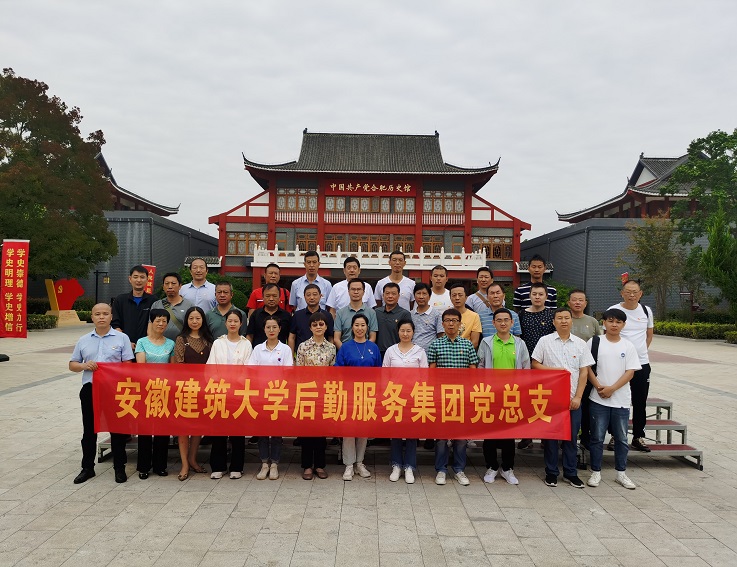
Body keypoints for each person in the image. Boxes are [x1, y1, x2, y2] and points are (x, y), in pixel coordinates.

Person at [69, 303, 134, 484]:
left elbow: (128, 364)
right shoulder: (83, 340)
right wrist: (84, 365)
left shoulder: (122, 338)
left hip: (114, 390)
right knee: (89, 430)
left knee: (117, 429)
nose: (101, 317)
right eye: (97, 314)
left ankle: (119, 467)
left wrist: (114, 370)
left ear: (111, 317)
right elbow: (72, 364)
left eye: (105, 313)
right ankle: (87, 468)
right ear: (92, 317)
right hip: (90, 389)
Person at [532, 307, 595, 489]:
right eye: (559, 318)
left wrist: (578, 397)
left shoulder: (580, 344)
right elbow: (535, 364)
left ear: (571, 321)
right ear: (554, 322)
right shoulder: (545, 341)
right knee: (551, 438)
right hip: (551, 399)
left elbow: (584, 372)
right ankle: (551, 472)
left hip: (572, 399)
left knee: (571, 437)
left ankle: (570, 473)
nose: (563, 321)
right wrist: (555, 371)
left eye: (567, 318)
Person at [586, 308, 640, 490]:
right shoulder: (594, 342)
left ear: (624, 325)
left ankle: (621, 473)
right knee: (597, 437)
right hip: (598, 398)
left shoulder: (628, 346)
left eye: (618, 322)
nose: (614, 325)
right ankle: (595, 472)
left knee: (622, 439)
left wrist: (612, 388)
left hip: (621, 400)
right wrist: (599, 387)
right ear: (604, 323)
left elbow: (630, 372)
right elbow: (587, 367)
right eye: (610, 321)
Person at [477, 308, 530, 485]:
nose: (503, 323)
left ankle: (507, 468)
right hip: (491, 394)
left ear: (512, 322)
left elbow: (526, 368)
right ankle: (491, 466)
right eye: (499, 320)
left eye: (506, 320)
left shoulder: (519, 343)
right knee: (490, 433)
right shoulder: (486, 342)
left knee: (509, 434)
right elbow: (480, 366)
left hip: (511, 394)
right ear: (493, 323)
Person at [427, 308, 479, 486]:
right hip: (442, 398)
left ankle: (459, 469)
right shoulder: (435, 345)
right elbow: (431, 373)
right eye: (447, 320)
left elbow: (473, 372)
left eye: (454, 321)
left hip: (462, 398)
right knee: (441, 438)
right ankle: (441, 470)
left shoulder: (467, 345)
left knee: (461, 437)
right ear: (442, 324)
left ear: (460, 324)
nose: (451, 324)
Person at [608, 279, 655, 453]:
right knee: (617, 400)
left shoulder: (646, 311)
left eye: (635, 292)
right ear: (622, 293)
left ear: (640, 294)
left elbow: (649, 335)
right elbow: (608, 335)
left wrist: (638, 354)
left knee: (639, 401)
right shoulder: (614, 310)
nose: (632, 295)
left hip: (641, 364)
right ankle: (615, 435)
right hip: (618, 364)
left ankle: (638, 436)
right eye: (628, 292)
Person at [206, 309, 253, 479]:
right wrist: (221, 384)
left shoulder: (246, 344)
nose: (233, 324)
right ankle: (218, 466)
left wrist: (236, 383)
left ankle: (236, 467)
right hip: (219, 391)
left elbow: (248, 369)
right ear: (225, 323)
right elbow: (211, 367)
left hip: (239, 392)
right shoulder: (218, 343)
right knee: (219, 430)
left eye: (236, 321)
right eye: (230, 321)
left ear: (241, 323)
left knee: (237, 431)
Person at [335, 313, 382, 480]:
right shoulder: (345, 347)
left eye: (363, 325)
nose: (360, 328)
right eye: (357, 325)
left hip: (367, 395)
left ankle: (360, 462)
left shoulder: (373, 348)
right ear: (352, 327)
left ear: (367, 327)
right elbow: (338, 371)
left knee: (363, 430)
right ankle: (349, 464)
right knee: (348, 430)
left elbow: (379, 372)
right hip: (349, 394)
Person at [248, 315, 294, 480]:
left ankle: (274, 463)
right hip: (261, 395)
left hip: (278, 395)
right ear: (264, 329)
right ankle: (264, 463)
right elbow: (251, 371)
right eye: (268, 327)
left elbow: (288, 372)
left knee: (276, 431)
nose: (271, 330)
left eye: (274, 327)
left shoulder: (285, 349)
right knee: (262, 431)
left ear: (280, 329)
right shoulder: (257, 349)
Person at [383, 320, 428, 484]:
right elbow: (385, 375)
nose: (405, 334)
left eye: (408, 330)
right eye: (402, 330)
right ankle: (396, 465)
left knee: (411, 433)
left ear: (413, 332)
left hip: (413, 397)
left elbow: (425, 376)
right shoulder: (390, 351)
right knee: (395, 432)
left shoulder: (420, 351)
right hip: (394, 397)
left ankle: (409, 466)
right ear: (398, 332)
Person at [134, 308, 175, 480]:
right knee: (144, 430)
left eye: (164, 321)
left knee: (162, 429)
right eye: (157, 320)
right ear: (151, 322)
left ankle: (160, 465)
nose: (161, 324)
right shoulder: (142, 342)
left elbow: (173, 368)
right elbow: (141, 366)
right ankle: (143, 466)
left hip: (164, 390)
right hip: (146, 390)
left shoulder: (171, 343)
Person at [173, 306, 214, 481]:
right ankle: (184, 464)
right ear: (186, 321)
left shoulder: (209, 340)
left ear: (203, 320)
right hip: (185, 388)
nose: (195, 321)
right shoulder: (181, 339)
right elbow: (179, 364)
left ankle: (193, 459)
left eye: (198, 318)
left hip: (204, 389)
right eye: (191, 318)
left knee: (198, 426)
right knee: (183, 427)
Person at [296, 311, 336, 480]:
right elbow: (298, 371)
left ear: (326, 327)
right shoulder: (303, 346)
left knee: (321, 432)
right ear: (310, 327)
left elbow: (333, 371)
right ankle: (307, 466)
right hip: (307, 392)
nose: (318, 327)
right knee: (306, 431)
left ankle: (320, 465)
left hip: (324, 394)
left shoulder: (331, 348)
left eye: (321, 324)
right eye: (315, 324)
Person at [517, 281, 555, 450]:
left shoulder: (551, 315)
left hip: (545, 365)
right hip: (526, 364)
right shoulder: (521, 315)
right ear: (529, 296)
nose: (537, 297)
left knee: (545, 400)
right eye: (534, 294)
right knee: (526, 401)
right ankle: (527, 435)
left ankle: (546, 436)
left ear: (546, 297)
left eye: (541, 294)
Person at [568, 289, 603, 450]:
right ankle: (567, 437)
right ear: (569, 303)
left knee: (587, 404)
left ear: (585, 303)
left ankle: (586, 436)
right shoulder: (565, 318)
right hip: (568, 369)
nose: (577, 302)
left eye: (580, 300)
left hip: (587, 368)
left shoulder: (592, 321)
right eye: (574, 299)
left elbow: (598, 343)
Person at [112, 265, 156, 350]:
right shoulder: (120, 300)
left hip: (147, 347)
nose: (139, 280)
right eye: (135, 277)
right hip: (124, 347)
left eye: (142, 277)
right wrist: (126, 342)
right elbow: (115, 324)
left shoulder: (154, 301)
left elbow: (156, 324)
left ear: (147, 280)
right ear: (130, 279)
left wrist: (148, 343)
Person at [289, 283, 334, 356]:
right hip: (302, 356)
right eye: (308, 295)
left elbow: (330, 337)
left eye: (315, 294)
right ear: (304, 297)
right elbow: (292, 337)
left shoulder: (327, 315)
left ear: (320, 296)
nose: (312, 297)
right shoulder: (297, 315)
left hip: (323, 357)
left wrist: (330, 355)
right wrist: (291, 357)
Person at [333, 279, 378, 350]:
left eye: (359, 289)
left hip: (365, 351)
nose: (356, 292)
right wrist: (346, 352)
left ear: (363, 292)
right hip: (345, 351)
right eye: (353, 289)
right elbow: (336, 339)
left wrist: (364, 351)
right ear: (348, 291)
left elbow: (372, 337)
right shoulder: (340, 313)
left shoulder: (371, 312)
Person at [150, 272, 193, 341]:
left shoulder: (189, 305)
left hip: (182, 344)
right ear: (163, 287)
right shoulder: (156, 305)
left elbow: (193, 328)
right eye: (167, 283)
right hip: (160, 345)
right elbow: (150, 327)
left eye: (173, 283)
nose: (170, 286)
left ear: (180, 286)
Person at [374, 281, 413, 358]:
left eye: (393, 294)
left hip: (397, 353)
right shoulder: (376, 312)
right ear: (383, 295)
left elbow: (408, 335)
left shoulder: (404, 314)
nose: (390, 296)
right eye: (387, 293)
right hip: (378, 353)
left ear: (398, 296)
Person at [410, 282, 444, 353]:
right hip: (412, 354)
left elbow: (441, 336)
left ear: (429, 296)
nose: (421, 297)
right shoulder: (410, 314)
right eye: (418, 293)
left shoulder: (437, 315)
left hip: (430, 354)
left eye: (424, 294)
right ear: (414, 296)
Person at [449, 282, 482, 350]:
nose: (457, 298)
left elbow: (475, 342)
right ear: (450, 298)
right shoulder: (446, 315)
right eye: (454, 295)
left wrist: (461, 353)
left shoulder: (474, 316)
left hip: (466, 353)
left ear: (466, 297)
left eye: (460, 295)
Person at [466, 267, 495, 337]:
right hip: (477, 333)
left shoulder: (497, 297)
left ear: (492, 280)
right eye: (481, 277)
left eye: (486, 277)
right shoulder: (471, 299)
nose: (483, 280)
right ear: (477, 280)